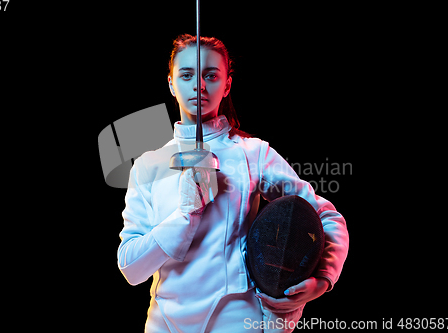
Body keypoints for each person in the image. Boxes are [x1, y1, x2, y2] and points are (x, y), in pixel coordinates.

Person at [117, 34, 349, 333]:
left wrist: (323, 277)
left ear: (226, 85)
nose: (199, 86)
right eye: (186, 75)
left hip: (237, 317)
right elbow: (131, 268)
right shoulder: (148, 165)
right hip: (165, 323)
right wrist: (185, 216)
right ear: (172, 83)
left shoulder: (252, 153)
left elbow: (325, 216)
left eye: (211, 76)